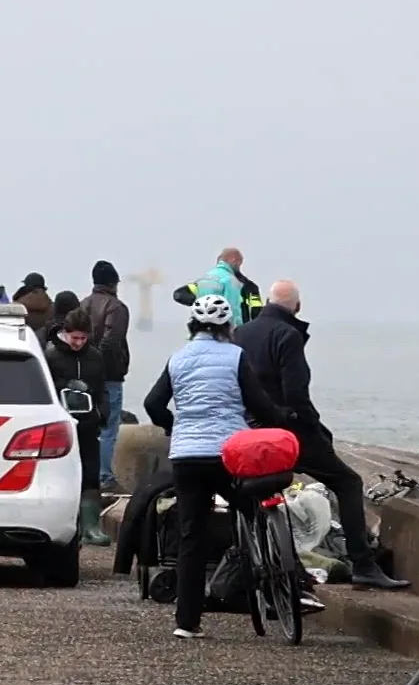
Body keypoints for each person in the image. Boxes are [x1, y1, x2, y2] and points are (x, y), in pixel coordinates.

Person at [233, 280, 409, 590]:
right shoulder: (286, 335)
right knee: (349, 483)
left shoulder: (241, 333)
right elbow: (296, 393)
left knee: (256, 495)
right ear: (297, 307)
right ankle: (364, 564)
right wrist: (314, 427)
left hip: (249, 432)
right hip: (287, 432)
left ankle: (259, 563)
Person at [143, 295, 289, 638]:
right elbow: (258, 404)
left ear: (192, 326)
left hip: (187, 457)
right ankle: (267, 579)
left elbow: (153, 403)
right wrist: (281, 419)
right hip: (228, 454)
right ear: (227, 327)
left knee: (192, 535)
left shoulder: (177, 359)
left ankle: (187, 622)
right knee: (252, 509)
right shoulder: (235, 356)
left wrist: (173, 425)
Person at [44, 307, 113, 546]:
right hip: (62, 425)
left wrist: (103, 413)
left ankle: (91, 526)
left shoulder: (95, 357)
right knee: (63, 473)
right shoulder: (51, 356)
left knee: (90, 473)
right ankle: (68, 524)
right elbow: (46, 387)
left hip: (88, 423)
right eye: (75, 338)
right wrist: (67, 385)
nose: (78, 343)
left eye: (83, 338)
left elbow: (102, 388)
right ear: (66, 333)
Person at [81, 260, 131, 491]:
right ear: (114, 283)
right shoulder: (117, 308)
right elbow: (112, 339)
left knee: (87, 426)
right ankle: (104, 476)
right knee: (109, 428)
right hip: (109, 375)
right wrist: (99, 360)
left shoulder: (83, 305)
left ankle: (87, 474)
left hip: (84, 376)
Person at [174, 248, 264, 329]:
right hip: (222, 330)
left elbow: (179, 295)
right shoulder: (231, 280)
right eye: (239, 263)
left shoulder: (204, 279)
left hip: (201, 327)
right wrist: (238, 331)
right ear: (234, 260)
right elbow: (233, 308)